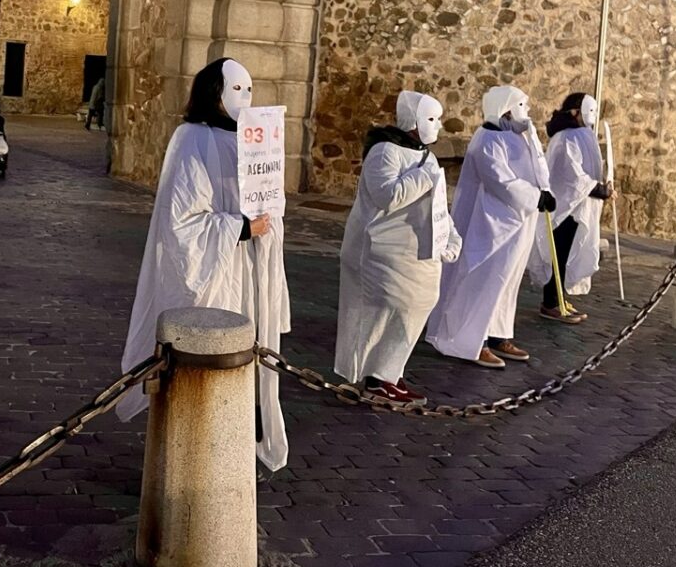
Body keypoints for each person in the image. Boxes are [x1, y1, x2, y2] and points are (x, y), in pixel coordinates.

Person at [116, 58, 292, 471]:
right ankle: (196, 450)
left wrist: (268, 218)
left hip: (249, 271)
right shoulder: (191, 139)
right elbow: (182, 222)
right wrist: (239, 228)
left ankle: (238, 447)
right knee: (208, 358)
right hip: (216, 269)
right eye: (236, 90)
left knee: (247, 358)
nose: (245, 98)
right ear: (213, 92)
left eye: (249, 90)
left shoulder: (251, 141)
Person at [335, 91, 463, 408]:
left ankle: (390, 371)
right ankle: (377, 377)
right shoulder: (384, 152)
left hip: (418, 251)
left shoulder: (428, 158)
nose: (437, 126)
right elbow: (388, 196)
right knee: (393, 305)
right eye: (430, 118)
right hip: (381, 250)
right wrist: (424, 176)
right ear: (413, 121)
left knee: (419, 303)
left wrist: (450, 235)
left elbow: (437, 206)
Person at [426, 85, 554, 369]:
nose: (528, 112)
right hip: (491, 224)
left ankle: (498, 334)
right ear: (506, 109)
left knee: (507, 282)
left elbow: (538, 167)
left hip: (519, 223)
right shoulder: (487, 139)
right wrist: (535, 196)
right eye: (523, 106)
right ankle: (471, 340)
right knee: (483, 279)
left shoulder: (521, 136)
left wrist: (544, 191)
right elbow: (500, 181)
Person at [527, 93, 611, 323]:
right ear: (575, 112)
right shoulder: (565, 138)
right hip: (565, 207)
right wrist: (597, 189)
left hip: (579, 207)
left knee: (567, 254)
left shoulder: (583, 135)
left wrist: (603, 184)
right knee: (558, 254)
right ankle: (551, 303)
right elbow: (570, 175)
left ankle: (559, 298)